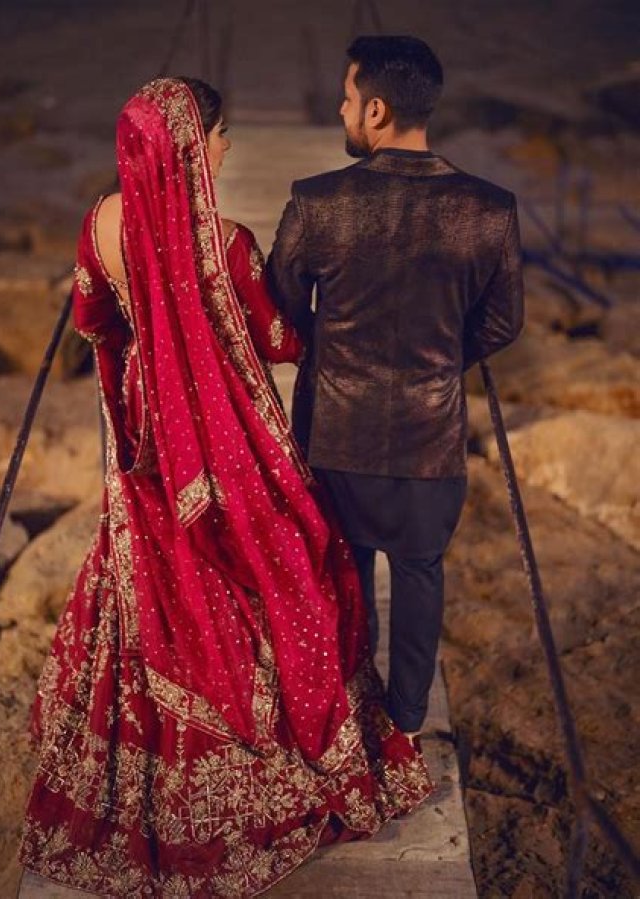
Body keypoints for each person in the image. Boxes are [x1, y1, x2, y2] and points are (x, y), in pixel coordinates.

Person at [18, 77, 433, 897]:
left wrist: (151, 348)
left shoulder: (98, 227)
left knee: (159, 560)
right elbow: (279, 339)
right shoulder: (227, 245)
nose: (227, 145)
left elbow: (91, 319)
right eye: (218, 133)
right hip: (221, 432)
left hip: (149, 427)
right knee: (281, 558)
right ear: (186, 146)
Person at [267, 36, 524, 744]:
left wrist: (329, 351)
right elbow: (503, 322)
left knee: (342, 575)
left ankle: (348, 711)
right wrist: (435, 361)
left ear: (376, 110)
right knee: (419, 573)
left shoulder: (318, 202)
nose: (342, 111)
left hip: (333, 432)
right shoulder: (491, 209)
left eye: (348, 99)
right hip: (429, 438)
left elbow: (281, 301)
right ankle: (406, 722)